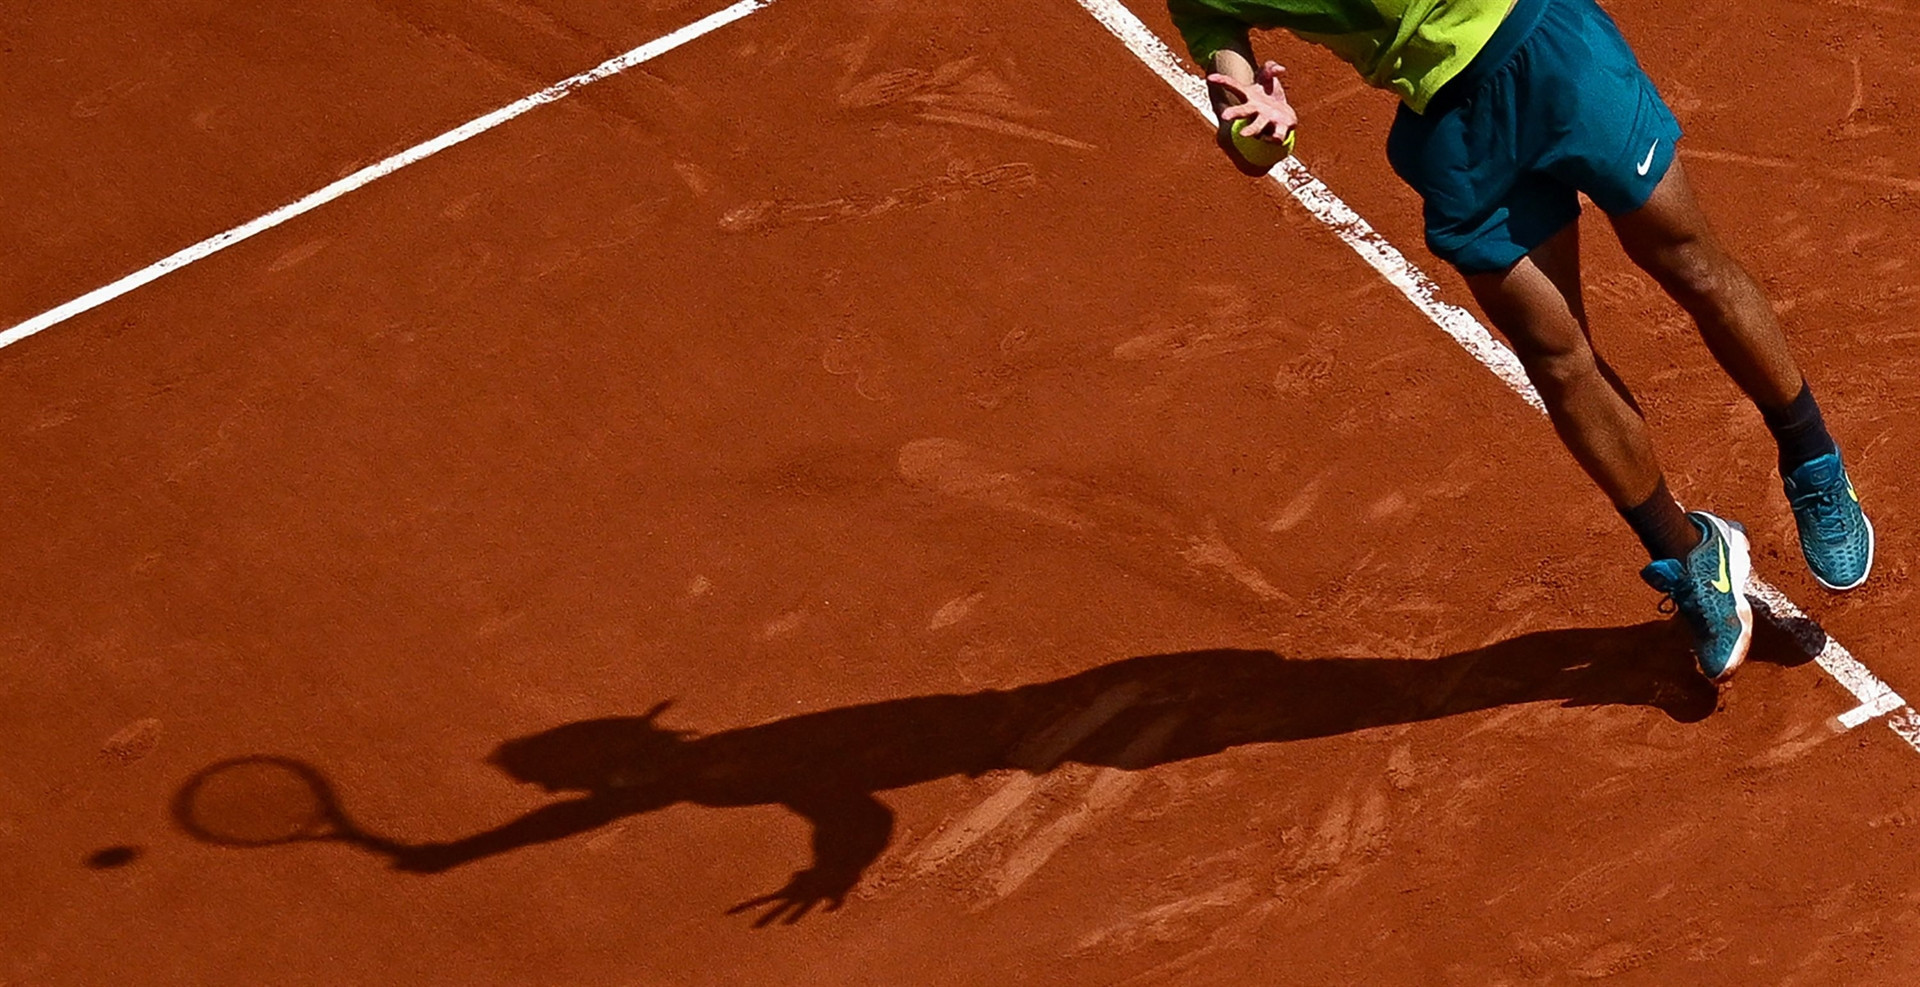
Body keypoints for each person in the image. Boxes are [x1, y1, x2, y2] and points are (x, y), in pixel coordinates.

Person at [1168, 0, 1873, 681]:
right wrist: (1260, 133)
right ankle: (1687, 553)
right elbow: (1244, 131)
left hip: (1549, 47)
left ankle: (1811, 458)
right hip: (1454, 131)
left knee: (1688, 260)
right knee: (1555, 356)